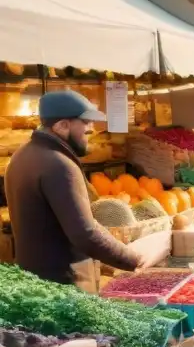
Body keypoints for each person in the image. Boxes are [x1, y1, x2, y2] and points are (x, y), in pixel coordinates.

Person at [5, 90, 147, 285]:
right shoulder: (59, 165)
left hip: (35, 278)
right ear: (62, 125)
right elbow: (85, 233)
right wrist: (133, 259)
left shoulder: (21, 155)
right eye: (85, 122)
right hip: (63, 280)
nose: (91, 129)